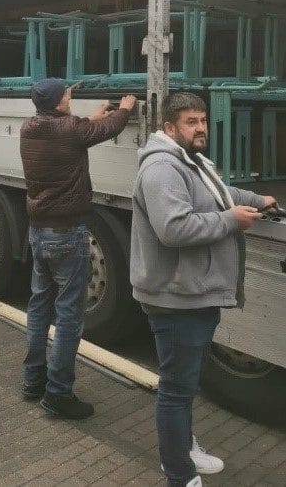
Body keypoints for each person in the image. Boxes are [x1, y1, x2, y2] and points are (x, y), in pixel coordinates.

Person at [130, 92, 277, 487]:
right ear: (169, 128)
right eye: (191, 122)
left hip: (190, 294)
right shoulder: (162, 168)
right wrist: (231, 220)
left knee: (184, 382)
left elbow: (217, 194)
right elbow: (173, 228)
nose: (200, 128)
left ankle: (183, 447)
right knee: (176, 390)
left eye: (203, 120)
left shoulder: (189, 161)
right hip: (176, 300)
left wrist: (257, 199)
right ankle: (179, 472)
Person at [20, 77, 136, 419]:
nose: (71, 96)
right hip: (67, 235)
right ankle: (58, 394)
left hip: (39, 232)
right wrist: (125, 109)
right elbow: (97, 130)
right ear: (58, 102)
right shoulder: (70, 130)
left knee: (39, 307)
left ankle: (32, 381)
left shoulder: (30, 127)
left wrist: (94, 115)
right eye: (68, 94)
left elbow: (80, 129)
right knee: (69, 316)